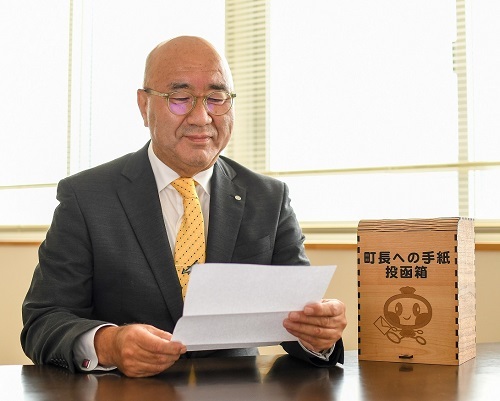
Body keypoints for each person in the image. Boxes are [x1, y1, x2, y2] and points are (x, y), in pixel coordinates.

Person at [21, 36, 347, 378]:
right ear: (144, 106)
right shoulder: (87, 197)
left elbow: (298, 320)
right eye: (180, 99)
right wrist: (108, 343)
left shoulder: (269, 198)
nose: (202, 117)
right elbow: (44, 321)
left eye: (216, 98)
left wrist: (318, 334)